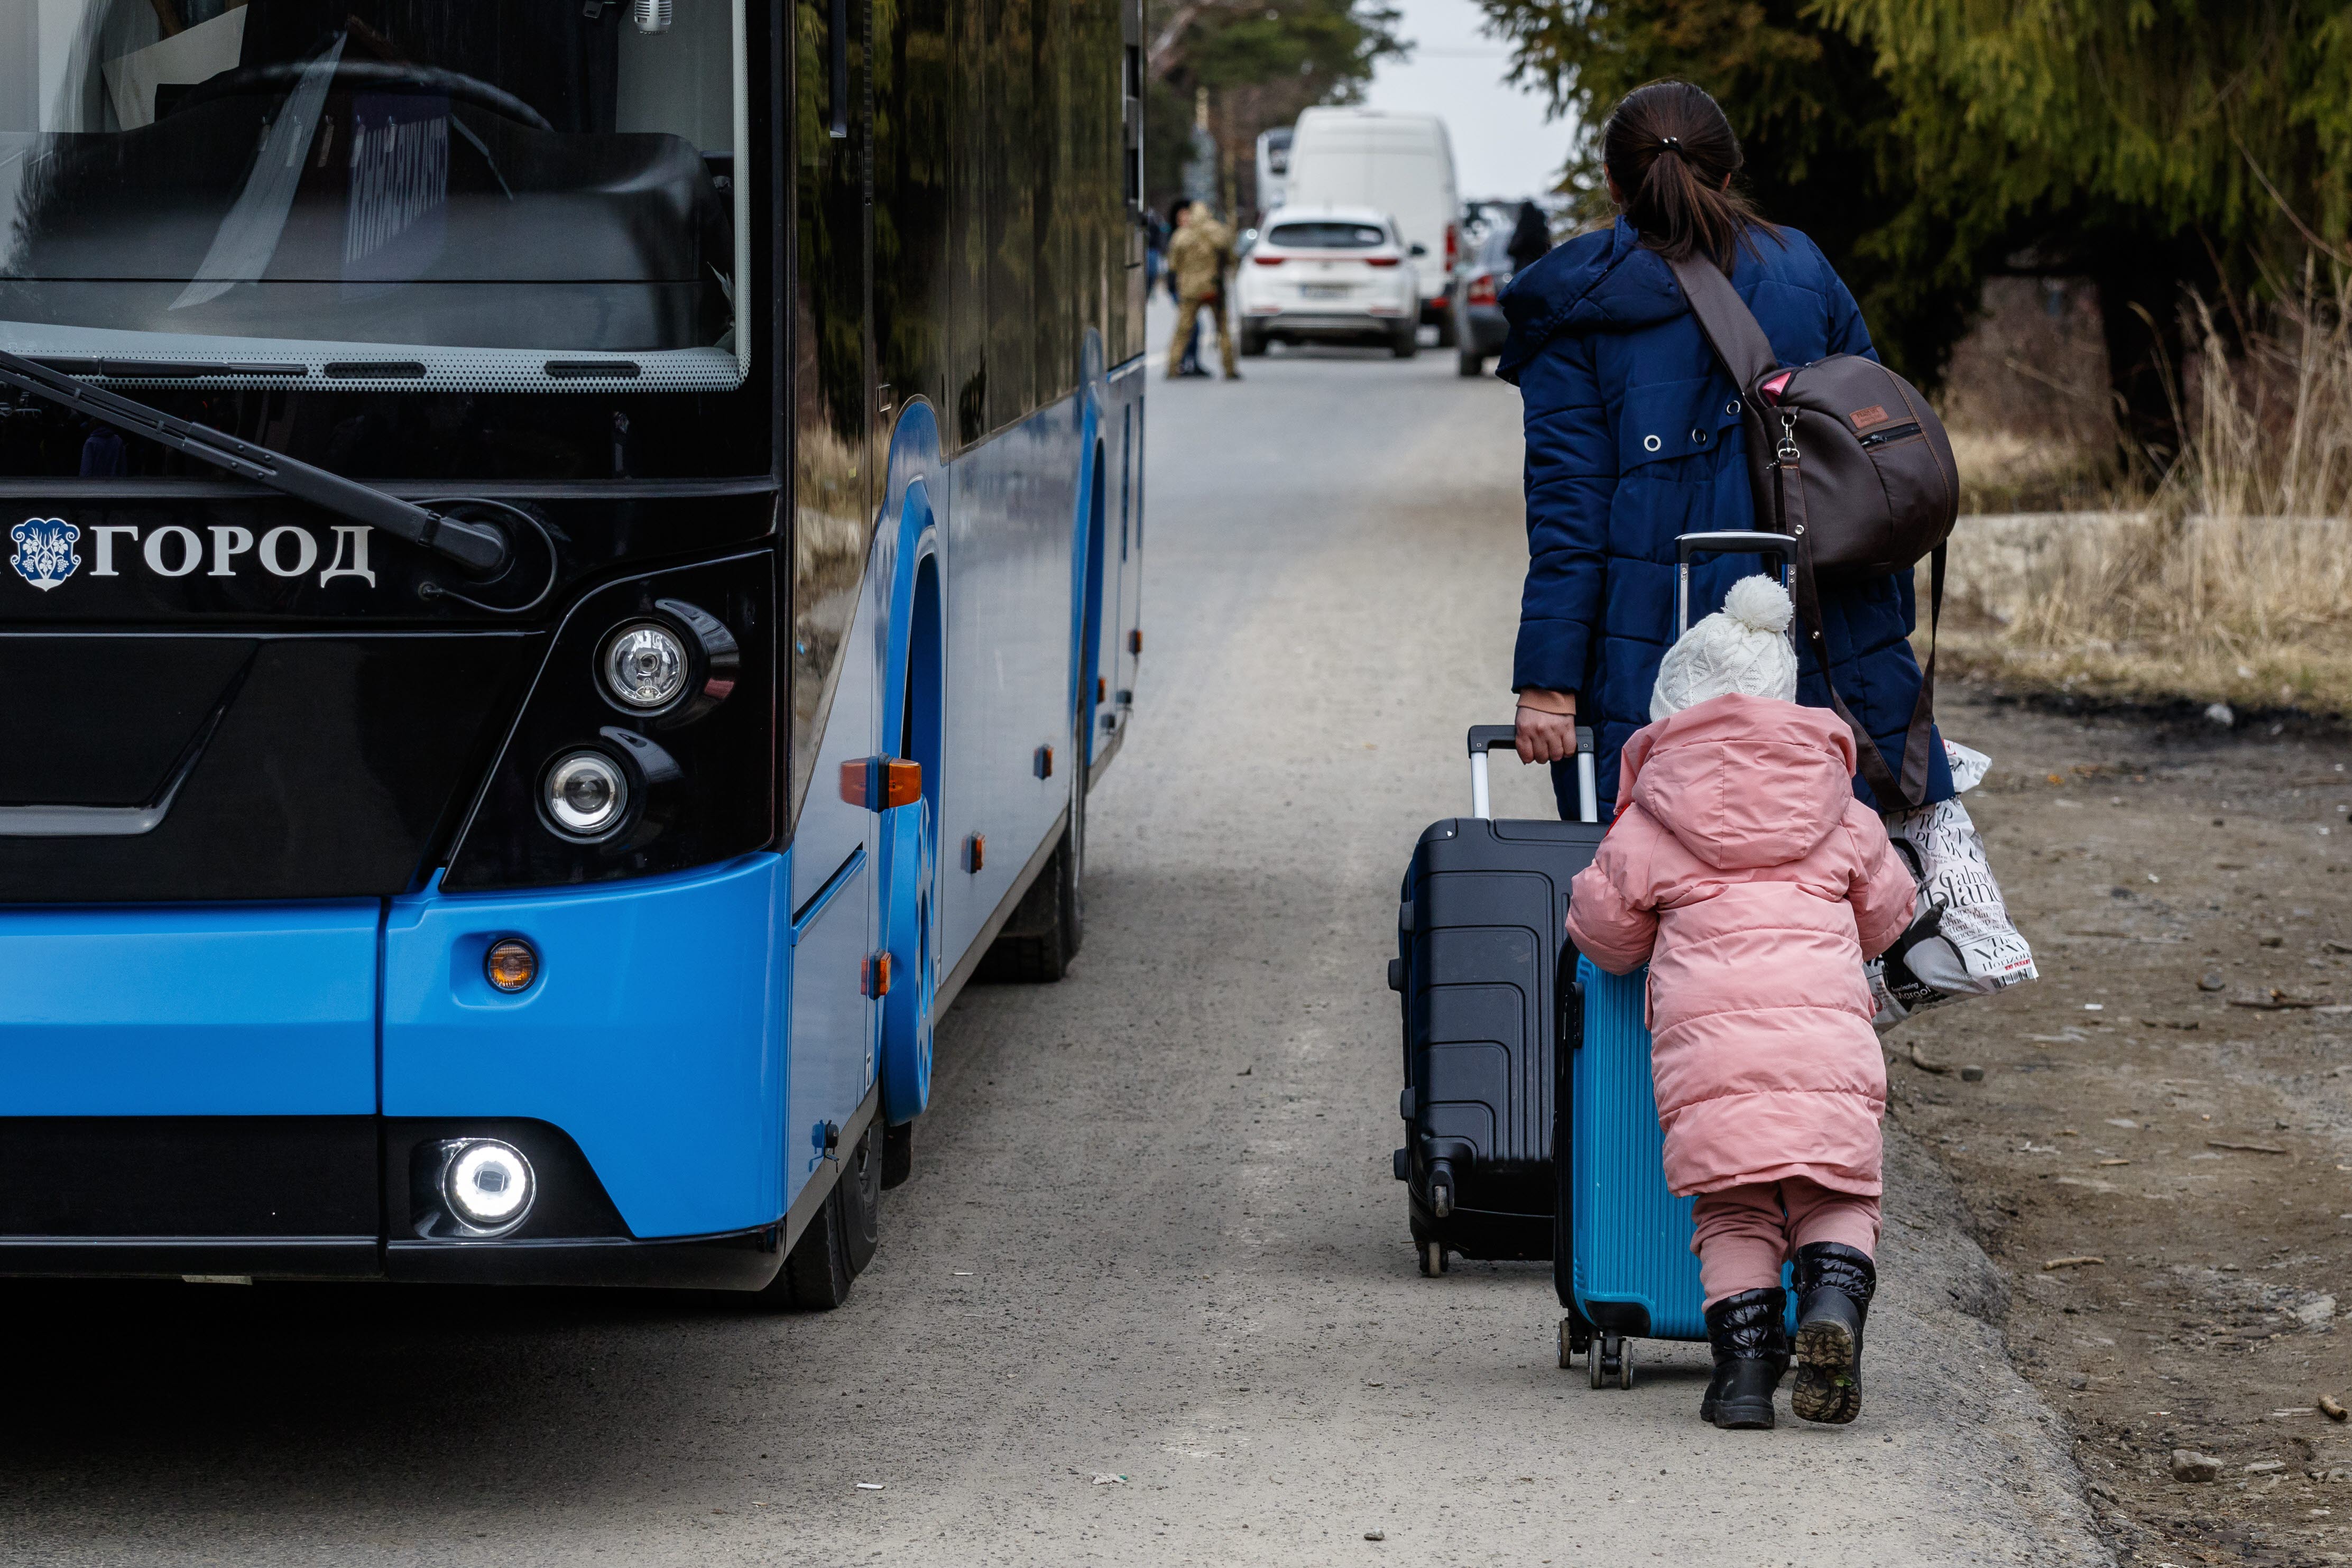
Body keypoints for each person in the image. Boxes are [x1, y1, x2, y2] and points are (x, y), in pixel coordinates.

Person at [1496, 79, 1954, 824]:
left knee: (1665, 866)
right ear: (1729, 174)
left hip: (1650, 652)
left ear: (1613, 182)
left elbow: (1568, 511)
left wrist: (1547, 683)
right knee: (1829, 868)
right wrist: (1880, 632)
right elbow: (1878, 469)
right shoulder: (1804, 268)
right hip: (1819, 627)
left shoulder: (1574, 311)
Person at [1564, 575, 1916, 1429]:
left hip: (1711, 1059)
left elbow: (1604, 936)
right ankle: (1831, 1304)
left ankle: (1742, 1381)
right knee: (1834, 1192)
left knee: (1734, 1207)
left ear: (1671, 712)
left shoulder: (1648, 823)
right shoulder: (1840, 810)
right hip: (1825, 1047)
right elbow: (1886, 916)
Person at [1166, 200, 1240, 381]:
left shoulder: (1182, 235)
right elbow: (1231, 259)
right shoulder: (1218, 232)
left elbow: (1173, 264)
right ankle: (1229, 368)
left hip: (1190, 290)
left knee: (1183, 330)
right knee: (1223, 328)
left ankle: (1173, 367)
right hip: (1214, 288)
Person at [1505, 199, 1551, 275]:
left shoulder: (1523, 229)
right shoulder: (1542, 230)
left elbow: (1512, 249)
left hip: (1524, 270)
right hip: (1541, 269)